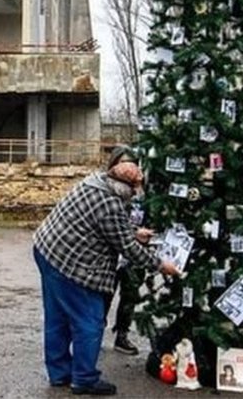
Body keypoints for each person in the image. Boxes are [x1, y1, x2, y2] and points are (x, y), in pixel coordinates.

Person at [34, 160, 177, 395]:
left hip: (47, 249)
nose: (135, 194)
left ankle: (59, 374)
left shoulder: (94, 182)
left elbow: (102, 223)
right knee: (90, 320)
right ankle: (83, 379)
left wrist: (133, 232)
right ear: (123, 187)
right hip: (69, 263)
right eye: (134, 189)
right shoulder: (110, 203)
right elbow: (128, 249)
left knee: (57, 318)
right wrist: (161, 265)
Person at [103, 145, 148, 356]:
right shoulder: (108, 186)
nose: (128, 168)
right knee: (104, 293)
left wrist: (139, 186)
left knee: (129, 294)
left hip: (134, 249)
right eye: (123, 163)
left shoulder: (140, 189)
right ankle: (93, 333)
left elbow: (144, 210)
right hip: (111, 249)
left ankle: (122, 335)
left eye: (132, 163)